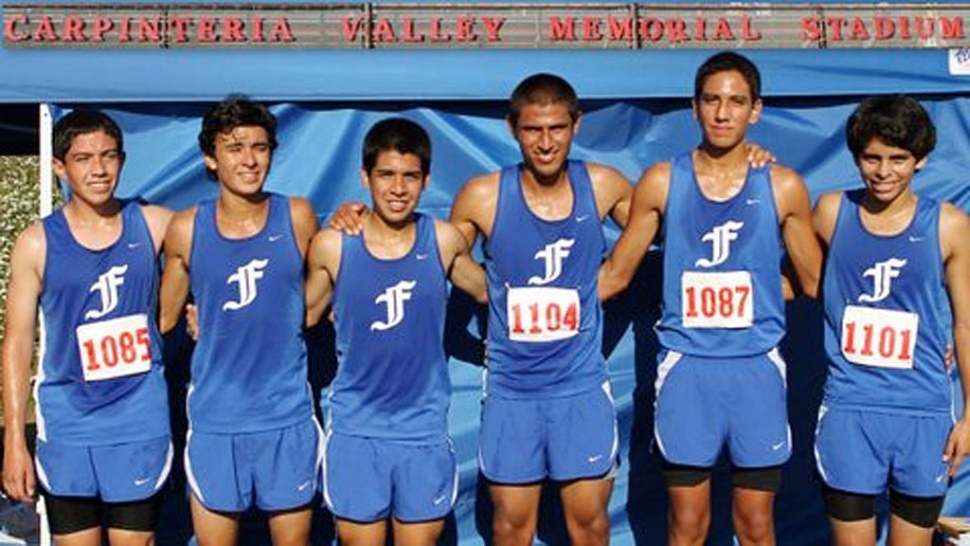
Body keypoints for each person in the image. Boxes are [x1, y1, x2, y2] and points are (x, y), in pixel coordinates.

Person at [598, 51, 822, 545]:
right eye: (712, 101)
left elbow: (814, 282)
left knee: (757, 525)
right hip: (686, 371)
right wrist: (515, 310)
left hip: (756, 371)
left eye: (736, 102)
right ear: (694, 107)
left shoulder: (782, 186)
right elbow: (614, 276)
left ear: (756, 110)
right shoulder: (661, 181)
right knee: (687, 525)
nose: (723, 113)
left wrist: (760, 289)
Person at [305, 117, 486, 546]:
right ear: (365, 177)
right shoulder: (333, 245)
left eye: (410, 176)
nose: (398, 188)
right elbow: (296, 318)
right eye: (386, 175)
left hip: (421, 430)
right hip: (356, 431)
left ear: (426, 181)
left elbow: (497, 295)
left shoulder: (442, 241)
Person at [2, 110, 173, 545]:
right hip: (69, 427)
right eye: (83, 159)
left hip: (138, 424)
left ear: (122, 158)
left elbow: (231, 235)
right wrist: (13, 442)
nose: (98, 170)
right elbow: (18, 343)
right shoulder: (36, 242)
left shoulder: (154, 225)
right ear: (60, 167)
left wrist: (348, 217)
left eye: (108, 156)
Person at [158, 98, 319, 546]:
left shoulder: (299, 216)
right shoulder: (187, 229)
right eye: (235, 148)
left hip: (285, 415)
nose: (249, 159)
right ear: (210, 157)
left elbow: (326, 295)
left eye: (260, 147)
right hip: (215, 419)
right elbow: (163, 319)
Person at [811, 95, 970, 545]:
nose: (884, 171)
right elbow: (788, 273)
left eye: (898, 159)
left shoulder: (949, 225)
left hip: (923, 413)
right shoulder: (829, 213)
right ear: (857, 157)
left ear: (921, 160)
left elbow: (965, 324)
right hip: (849, 409)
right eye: (872, 158)